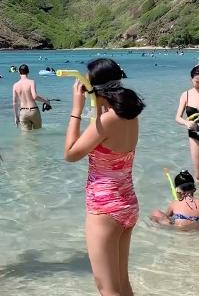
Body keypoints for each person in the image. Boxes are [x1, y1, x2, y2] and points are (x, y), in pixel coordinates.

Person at [64, 58, 145, 296]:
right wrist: (94, 103)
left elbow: (70, 154)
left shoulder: (107, 121)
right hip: (127, 204)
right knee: (122, 284)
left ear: (94, 90)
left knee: (107, 289)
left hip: (105, 209)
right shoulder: (129, 115)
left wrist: (76, 110)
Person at [12, 64, 50, 130]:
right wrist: (46, 101)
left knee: (26, 137)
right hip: (33, 111)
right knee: (38, 133)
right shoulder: (31, 82)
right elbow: (35, 96)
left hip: (23, 112)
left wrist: (16, 117)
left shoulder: (15, 85)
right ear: (28, 72)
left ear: (19, 72)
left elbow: (15, 103)